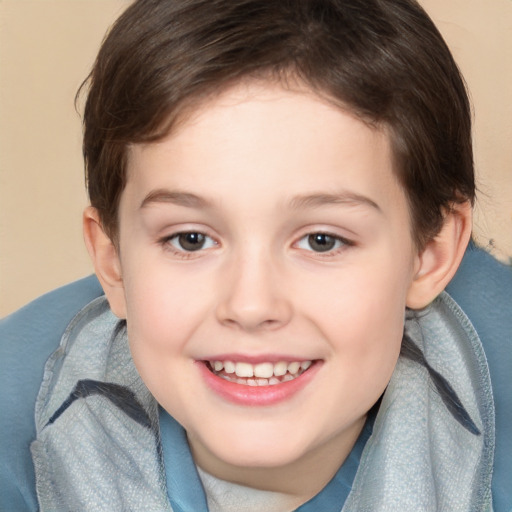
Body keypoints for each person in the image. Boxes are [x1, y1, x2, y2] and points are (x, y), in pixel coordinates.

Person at [1, 0, 511, 510]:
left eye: (321, 241)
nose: (250, 305)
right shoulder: (17, 425)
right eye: (191, 239)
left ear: (430, 252)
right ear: (112, 261)